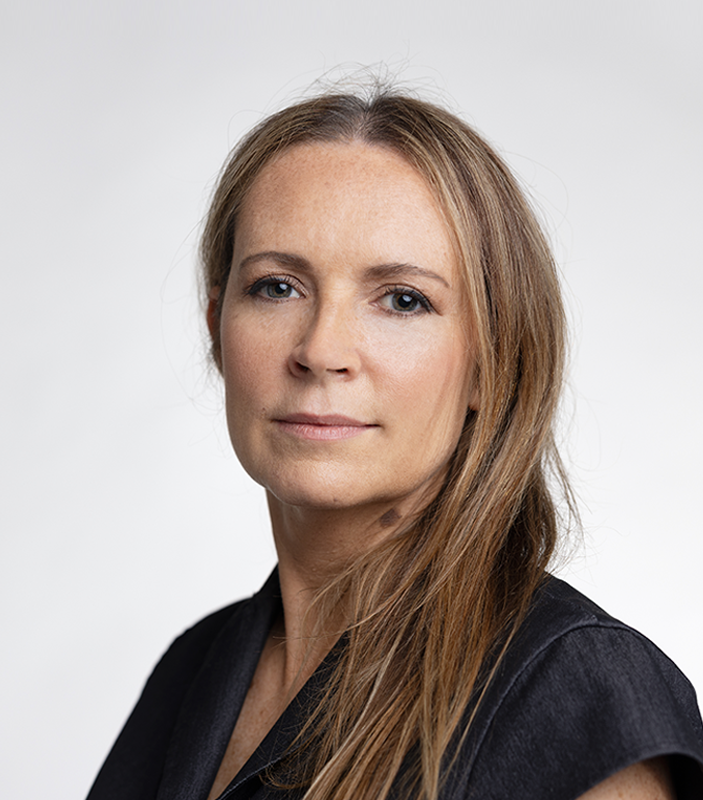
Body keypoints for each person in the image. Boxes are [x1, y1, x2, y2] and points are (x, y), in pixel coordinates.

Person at [86, 88, 703, 800]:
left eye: (402, 299)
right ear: (216, 328)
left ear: (490, 362)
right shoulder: (191, 673)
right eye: (278, 287)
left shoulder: (576, 691)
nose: (322, 350)